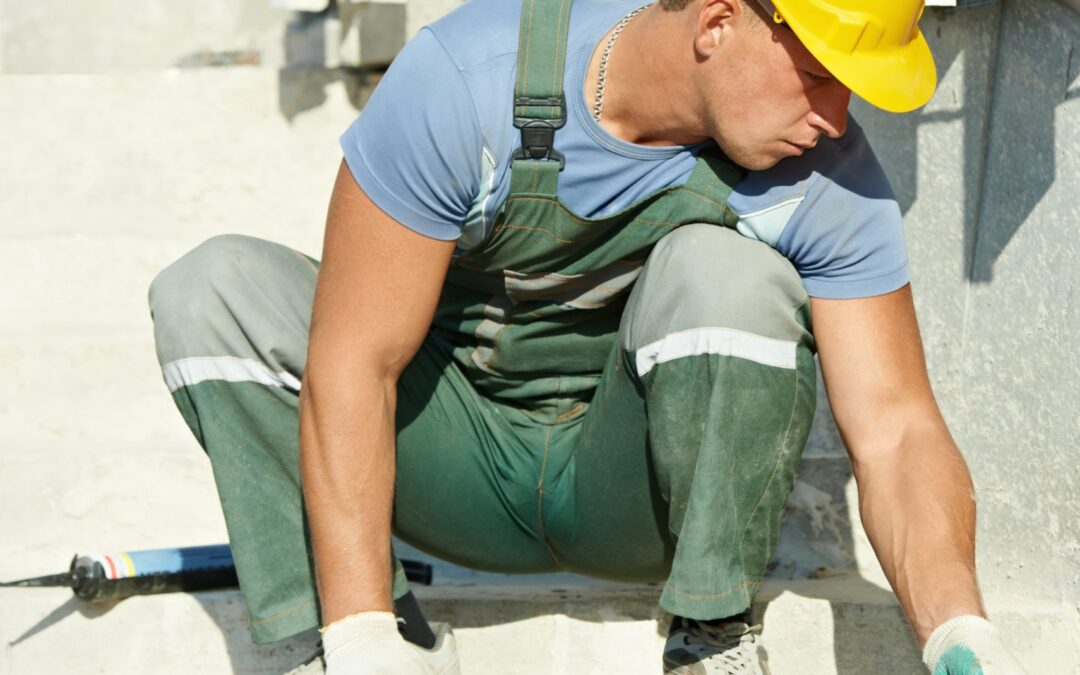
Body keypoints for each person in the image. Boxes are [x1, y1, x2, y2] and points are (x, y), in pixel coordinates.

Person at [148, 0, 1028, 672]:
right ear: (719, 22)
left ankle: (709, 631)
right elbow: (353, 363)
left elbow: (900, 429)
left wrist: (958, 630)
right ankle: (324, 639)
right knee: (212, 291)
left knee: (730, 276)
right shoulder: (470, 83)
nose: (837, 119)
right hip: (453, 473)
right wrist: (362, 633)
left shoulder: (827, 178)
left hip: (633, 501)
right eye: (823, 77)